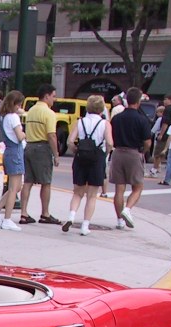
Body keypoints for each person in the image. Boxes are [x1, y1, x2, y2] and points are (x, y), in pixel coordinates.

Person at [63, 94, 112, 236]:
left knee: (77, 192)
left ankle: (71, 217)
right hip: (97, 158)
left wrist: (76, 151)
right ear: (101, 108)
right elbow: (110, 143)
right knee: (92, 195)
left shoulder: (80, 122)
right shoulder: (104, 124)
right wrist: (105, 153)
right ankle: (85, 226)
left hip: (81, 157)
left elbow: (70, 141)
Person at [108, 86, 152, 229]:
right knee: (138, 186)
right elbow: (147, 142)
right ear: (138, 101)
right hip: (134, 152)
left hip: (118, 152)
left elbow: (111, 136)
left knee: (119, 189)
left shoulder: (117, 118)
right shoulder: (141, 119)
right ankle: (127, 209)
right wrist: (143, 152)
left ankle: (119, 220)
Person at [18, 83, 61, 225]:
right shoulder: (49, 113)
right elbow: (51, 135)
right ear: (47, 96)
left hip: (29, 146)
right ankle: (45, 213)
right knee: (46, 182)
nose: (54, 99)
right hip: (42, 148)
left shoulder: (31, 111)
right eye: (53, 96)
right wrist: (56, 154)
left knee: (28, 182)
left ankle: (23, 213)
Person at [0, 90, 26, 232]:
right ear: (14, 104)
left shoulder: (4, 116)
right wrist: (24, 133)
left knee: (14, 186)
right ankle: (7, 218)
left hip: (9, 150)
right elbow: (19, 136)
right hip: (15, 151)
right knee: (14, 188)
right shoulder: (14, 118)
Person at [150, 94, 171, 177]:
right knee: (170, 154)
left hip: (165, 134)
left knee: (158, 152)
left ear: (170, 100)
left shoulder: (167, 110)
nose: (164, 101)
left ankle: (154, 169)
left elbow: (165, 122)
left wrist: (161, 134)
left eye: (166, 99)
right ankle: (170, 173)